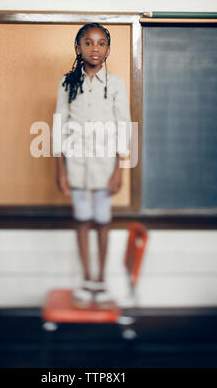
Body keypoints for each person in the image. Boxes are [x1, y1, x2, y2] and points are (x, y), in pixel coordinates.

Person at [52, 23, 131, 308]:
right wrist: (60, 170)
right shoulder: (67, 83)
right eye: (88, 42)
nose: (94, 48)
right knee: (83, 220)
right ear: (78, 48)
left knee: (103, 222)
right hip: (75, 165)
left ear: (108, 50)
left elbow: (124, 126)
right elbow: (59, 124)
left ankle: (101, 280)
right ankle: (86, 279)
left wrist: (120, 170)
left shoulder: (117, 83)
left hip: (105, 165)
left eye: (100, 43)